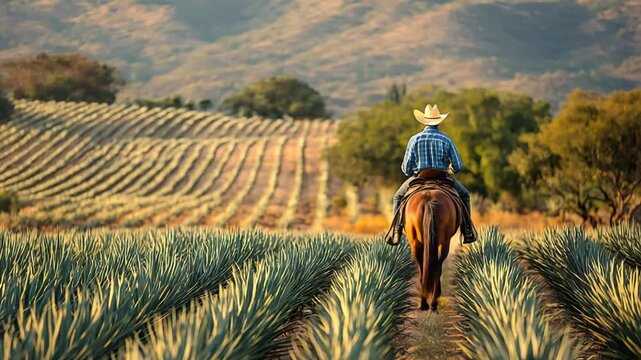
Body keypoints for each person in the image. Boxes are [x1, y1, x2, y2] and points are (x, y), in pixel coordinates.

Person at [390, 104, 476, 245]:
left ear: (424, 121)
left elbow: (406, 168)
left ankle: (396, 231)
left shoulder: (414, 139)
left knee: (398, 197)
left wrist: (413, 172)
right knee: (465, 195)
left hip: (419, 176)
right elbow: (458, 166)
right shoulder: (446, 140)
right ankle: (467, 231)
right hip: (442, 177)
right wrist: (450, 170)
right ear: (438, 121)